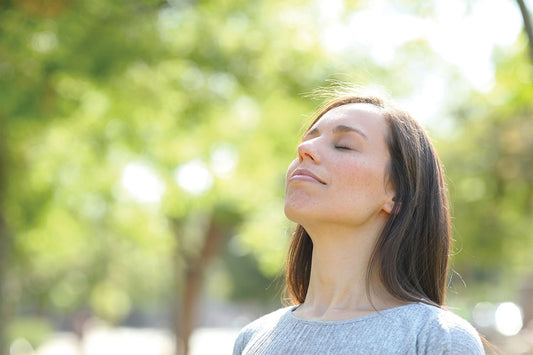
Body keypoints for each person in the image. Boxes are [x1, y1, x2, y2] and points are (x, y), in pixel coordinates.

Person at [232, 92, 485, 354]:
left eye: (343, 145)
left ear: (396, 194)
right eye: (308, 139)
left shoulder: (438, 338)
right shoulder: (252, 338)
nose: (304, 149)